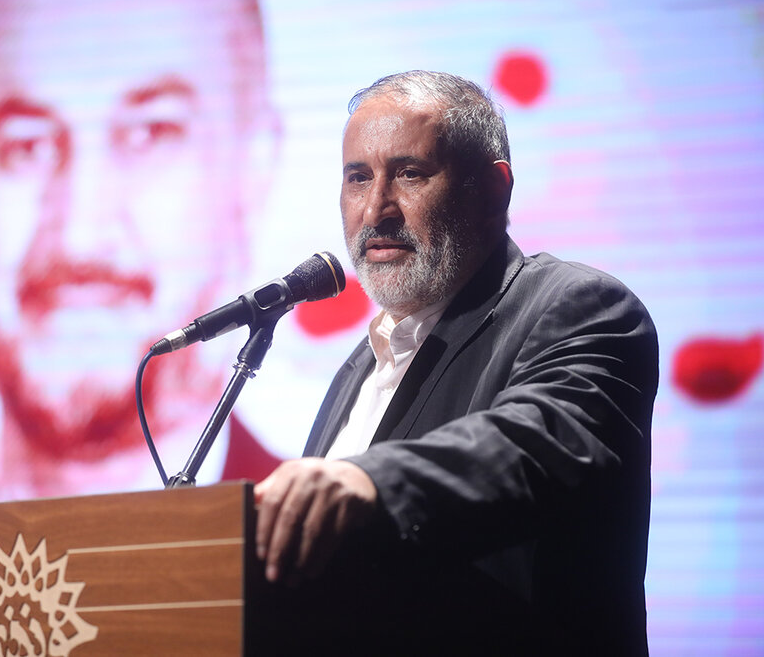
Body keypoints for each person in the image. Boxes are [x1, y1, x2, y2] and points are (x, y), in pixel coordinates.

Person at [253, 71, 658, 654]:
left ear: (492, 190)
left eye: (409, 173)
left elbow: (538, 447)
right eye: (358, 177)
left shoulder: (580, 306)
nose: (375, 209)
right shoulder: (358, 368)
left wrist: (369, 481)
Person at [0, 0, 280, 497]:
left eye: (150, 133)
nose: (79, 237)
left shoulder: (344, 542)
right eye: (26, 145)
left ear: (252, 169)